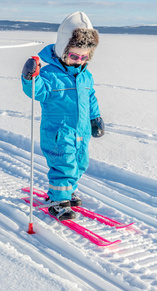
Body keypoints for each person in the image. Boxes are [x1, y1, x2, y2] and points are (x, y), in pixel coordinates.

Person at [21, 12, 105, 221]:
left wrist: (95, 118)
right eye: (74, 56)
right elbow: (36, 91)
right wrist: (30, 77)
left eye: (84, 57)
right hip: (59, 131)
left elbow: (90, 98)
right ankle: (57, 200)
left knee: (80, 162)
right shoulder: (50, 74)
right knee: (64, 164)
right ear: (62, 51)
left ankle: (67, 191)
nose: (79, 61)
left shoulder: (86, 75)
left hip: (81, 130)